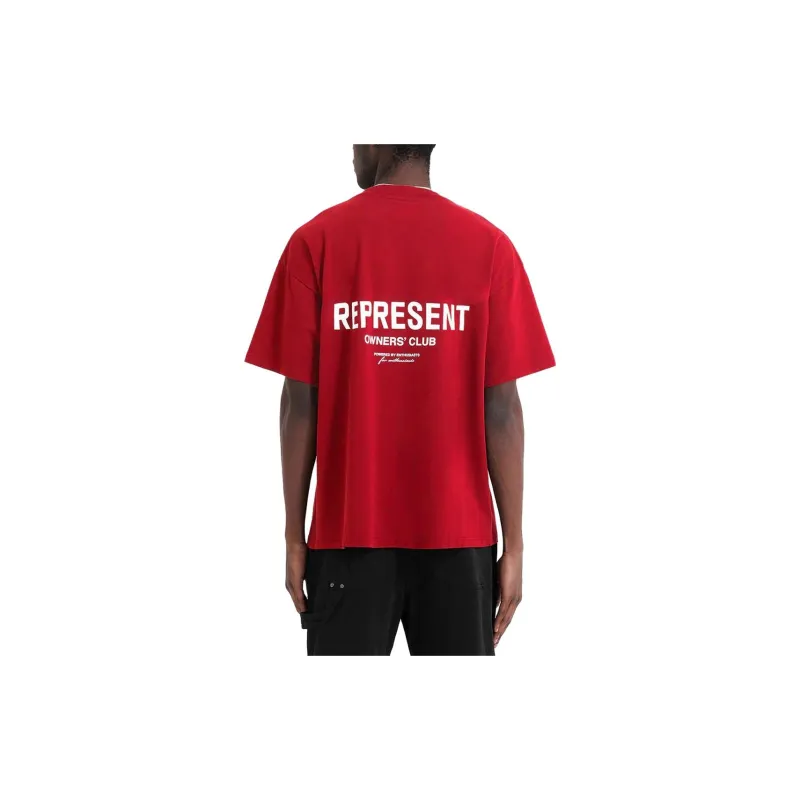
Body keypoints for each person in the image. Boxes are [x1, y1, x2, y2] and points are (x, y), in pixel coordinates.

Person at [246, 144, 555, 655]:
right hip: (461, 541)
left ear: (379, 140)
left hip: (346, 539)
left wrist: (294, 536)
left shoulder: (316, 241)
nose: (351, 152)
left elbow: (300, 405)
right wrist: (515, 544)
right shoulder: (489, 246)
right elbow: (502, 410)